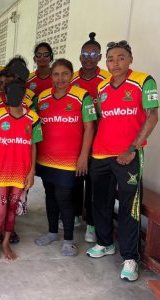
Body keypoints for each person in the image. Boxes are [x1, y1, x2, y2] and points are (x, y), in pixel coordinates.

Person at [86, 41, 158, 282]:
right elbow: (100, 120)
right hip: (100, 154)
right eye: (110, 59)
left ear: (130, 59)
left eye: (120, 57)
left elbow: (153, 116)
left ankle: (130, 258)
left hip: (128, 155)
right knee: (101, 202)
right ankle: (105, 243)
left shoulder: (143, 81)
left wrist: (131, 149)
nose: (115, 63)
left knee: (129, 207)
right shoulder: (102, 88)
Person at [35, 59, 96, 257]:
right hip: (45, 159)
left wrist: (83, 156)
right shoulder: (42, 98)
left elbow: (89, 127)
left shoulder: (82, 96)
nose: (60, 78)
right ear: (51, 75)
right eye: (56, 74)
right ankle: (52, 232)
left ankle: (69, 240)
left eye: (65, 74)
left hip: (69, 161)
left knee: (66, 199)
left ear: (71, 75)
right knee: (50, 196)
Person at [0, 66, 42, 260]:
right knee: (0, 211)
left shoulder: (32, 118)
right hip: (1, 172)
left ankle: (5, 243)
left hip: (21, 173)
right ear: (6, 94)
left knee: (12, 211)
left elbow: (33, 146)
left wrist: (31, 172)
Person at [70, 32, 111, 242]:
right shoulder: (72, 80)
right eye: (85, 53)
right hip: (76, 138)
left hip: (101, 141)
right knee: (76, 179)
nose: (88, 57)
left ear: (99, 57)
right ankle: (76, 215)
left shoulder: (107, 80)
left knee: (94, 184)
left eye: (93, 53)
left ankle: (92, 225)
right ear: (80, 57)